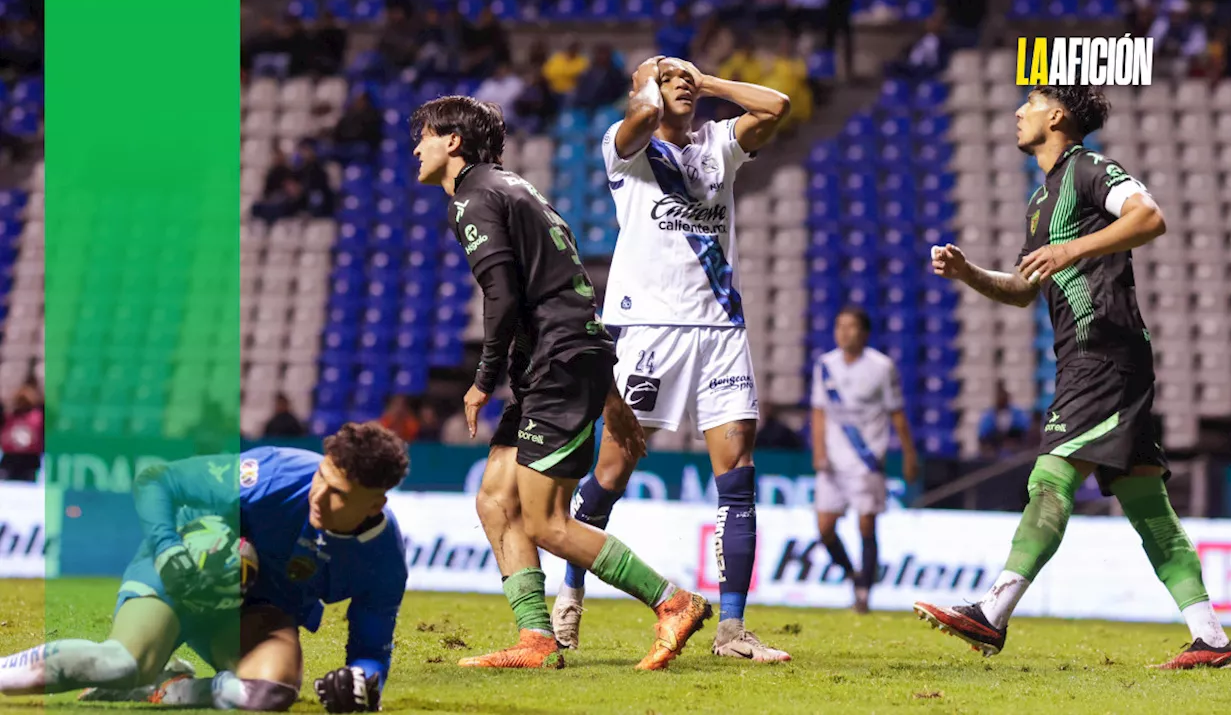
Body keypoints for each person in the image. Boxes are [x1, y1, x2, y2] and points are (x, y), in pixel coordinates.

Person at [916, 85, 1231, 670]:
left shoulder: (1090, 168)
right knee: (1148, 505)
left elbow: (1150, 217)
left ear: (1057, 116)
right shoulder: (1041, 202)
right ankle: (1211, 639)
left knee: (1050, 478)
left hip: (1104, 352)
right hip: (1094, 356)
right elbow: (1021, 290)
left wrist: (1073, 250)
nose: (1018, 112)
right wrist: (969, 273)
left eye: (1030, 103)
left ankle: (993, 611)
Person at [410, 95, 710, 670]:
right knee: (497, 499)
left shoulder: (474, 198)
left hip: (556, 363)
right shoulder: (515, 190)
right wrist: (608, 393)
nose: (415, 147)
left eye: (423, 135)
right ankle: (537, 641)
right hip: (561, 361)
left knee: (547, 521)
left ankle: (673, 601)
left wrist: (481, 380)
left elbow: (502, 297)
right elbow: (565, 291)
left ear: (453, 142)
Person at [552, 55, 792, 661]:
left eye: (685, 76)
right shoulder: (624, 147)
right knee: (612, 472)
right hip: (649, 329)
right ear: (641, 92)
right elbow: (638, 120)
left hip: (721, 329)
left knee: (738, 476)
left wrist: (703, 83)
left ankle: (733, 631)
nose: (679, 83)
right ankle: (571, 591)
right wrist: (652, 88)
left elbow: (777, 107)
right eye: (665, 77)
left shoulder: (720, 144)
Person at [0, 423, 411, 711]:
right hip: (186, 572)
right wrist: (169, 552)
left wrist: (361, 681)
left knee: (268, 694)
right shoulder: (274, 474)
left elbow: (371, 651)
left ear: (376, 505)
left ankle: (166, 690)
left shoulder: (384, 561)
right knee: (120, 664)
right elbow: (158, 481)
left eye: (337, 493)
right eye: (321, 477)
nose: (318, 496)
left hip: (255, 611)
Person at [810, 306, 918, 613]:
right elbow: (818, 411)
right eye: (839, 326)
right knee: (825, 528)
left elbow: (896, 412)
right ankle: (852, 573)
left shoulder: (881, 367)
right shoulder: (825, 365)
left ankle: (863, 594)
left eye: (851, 326)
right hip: (832, 460)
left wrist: (909, 454)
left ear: (864, 332)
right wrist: (818, 450)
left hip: (866, 459)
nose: (844, 332)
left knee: (866, 525)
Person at [977, 381, 1031, 457]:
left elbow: (1024, 429)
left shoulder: (1017, 413)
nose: (1001, 399)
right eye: (999, 397)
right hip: (994, 446)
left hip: (1014, 445)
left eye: (1004, 397)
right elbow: (983, 434)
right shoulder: (989, 415)